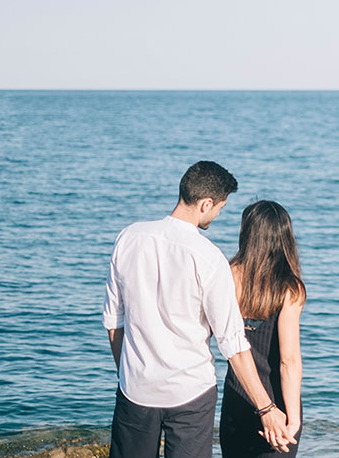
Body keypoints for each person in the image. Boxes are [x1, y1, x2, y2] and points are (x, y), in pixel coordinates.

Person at [102, 161, 296, 458]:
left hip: (136, 389)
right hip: (190, 395)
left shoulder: (129, 238)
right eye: (220, 207)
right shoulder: (208, 257)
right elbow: (232, 344)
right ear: (205, 203)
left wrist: (127, 372)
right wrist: (267, 408)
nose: (218, 214)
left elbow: (115, 321)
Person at [220, 200, 306, 458]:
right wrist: (293, 419)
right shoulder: (290, 289)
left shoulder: (227, 276)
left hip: (237, 397)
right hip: (277, 402)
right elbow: (288, 361)